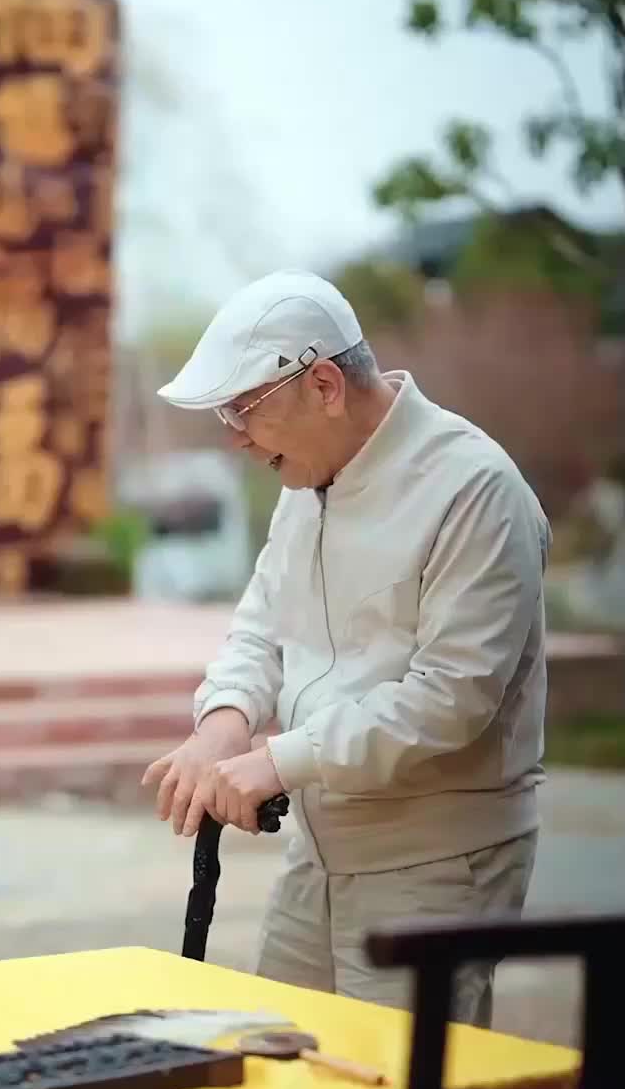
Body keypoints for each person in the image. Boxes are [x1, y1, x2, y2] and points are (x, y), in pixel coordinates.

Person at [143, 271, 550, 1026]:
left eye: (243, 409)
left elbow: (451, 698)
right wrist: (223, 725)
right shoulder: (307, 484)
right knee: (279, 1060)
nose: (234, 437)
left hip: (434, 864)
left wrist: (276, 762)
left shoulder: (474, 488)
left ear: (325, 385)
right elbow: (263, 625)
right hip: (319, 854)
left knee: (402, 1088)